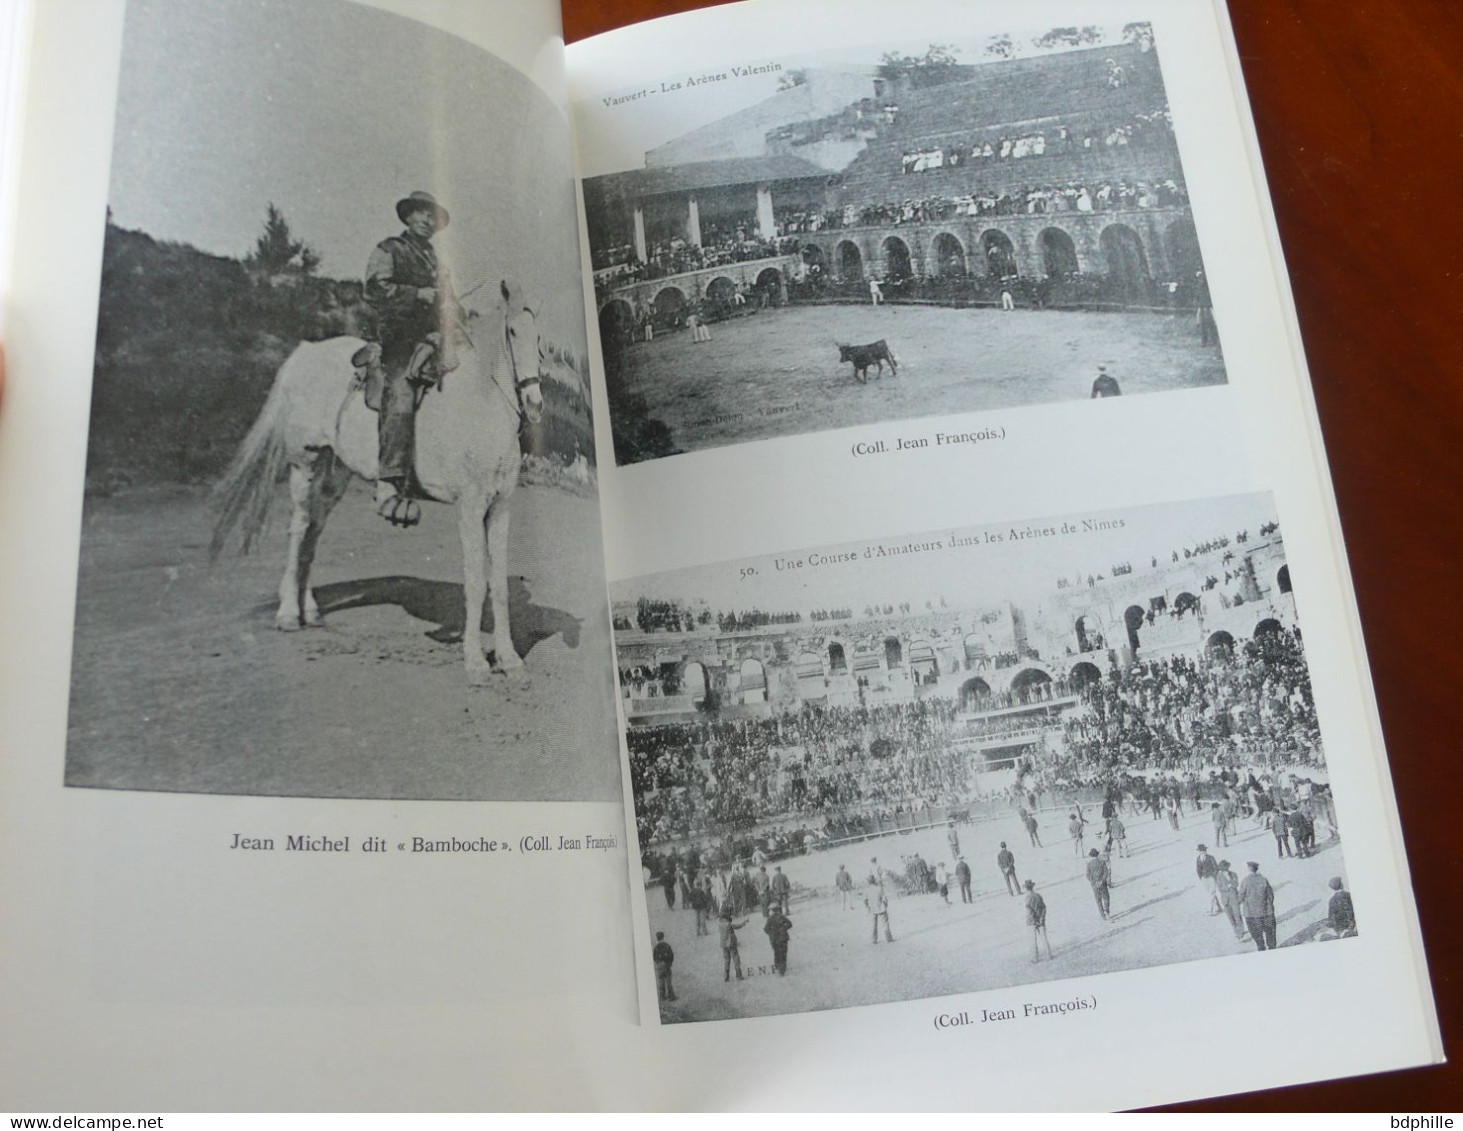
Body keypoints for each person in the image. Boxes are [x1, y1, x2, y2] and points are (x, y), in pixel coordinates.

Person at [364, 191, 461, 527]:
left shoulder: (436, 260)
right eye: (420, 213)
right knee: (403, 390)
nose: (426, 220)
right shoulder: (389, 249)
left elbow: (449, 301)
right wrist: (417, 294)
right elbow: (374, 290)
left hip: (430, 341)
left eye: (432, 216)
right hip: (397, 341)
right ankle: (388, 481)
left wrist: (454, 312)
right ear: (407, 217)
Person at [1238, 861, 1278, 951]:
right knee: (1270, 934)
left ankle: (1261, 950)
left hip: (1251, 914)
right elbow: (1271, 895)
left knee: (1257, 937)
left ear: (1248, 869)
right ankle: (1273, 950)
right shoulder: (1263, 879)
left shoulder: (1245, 881)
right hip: (1267, 912)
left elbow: (1240, 898)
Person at [1214, 860, 1247, 941]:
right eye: (1222, 869)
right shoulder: (1218, 876)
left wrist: (1230, 881)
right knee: (1231, 917)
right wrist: (1227, 887)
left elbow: (1236, 884)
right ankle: (1237, 932)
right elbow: (1219, 888)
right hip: (1225, 900)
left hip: (1234, 898)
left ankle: (1240, 934)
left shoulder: (1233, 874)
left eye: (1225, 868)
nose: (1224, 870)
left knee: (1237, 916)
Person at [717, 909, 749, 981]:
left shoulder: (720, 925)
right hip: (731, 945)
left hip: (724, 946)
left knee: (726, 961)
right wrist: (744, 922)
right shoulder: (729, 925)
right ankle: (739, 976)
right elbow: (738, 926)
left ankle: (726, 976)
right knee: (736, 960)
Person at [1024, 880, 1052, 961]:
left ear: (1026, 888)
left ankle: (1035, 958)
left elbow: (1029, 911)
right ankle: (1049, 955)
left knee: (1033, 941)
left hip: (1031, 922)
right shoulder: (1038, 895)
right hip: (1040, 920)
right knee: (1044, 938)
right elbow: (1044, 908)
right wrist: (1041, 919)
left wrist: (1034, 921)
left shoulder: (1027, 898)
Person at [764, 903, 793, 974]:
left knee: (777, 952)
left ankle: (777, 965)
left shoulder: (770, 919)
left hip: (775, 939)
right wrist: (784, 928)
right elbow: (790, 924)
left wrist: (771, 934)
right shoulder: (781, 916)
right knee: (783, 953)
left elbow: (766, 929)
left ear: (772, 910)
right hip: (783, 938)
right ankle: (782, 968)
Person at [1085, 848, 1111, 920]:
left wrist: (1093, 882)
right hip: (1103, 884)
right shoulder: (1102, 862)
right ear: (1097, 855)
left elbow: (1087, 875)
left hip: (1094, 885)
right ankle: (1107, 911)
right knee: (1106, 898)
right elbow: (1106, 872)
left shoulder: (1089, 864)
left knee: (1098, 900)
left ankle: (1102, 915)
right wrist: (1102, 881)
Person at [652, 931, 676, 1001]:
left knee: (661, 981)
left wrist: (658, 963)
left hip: (659, 965)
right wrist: (669, 963)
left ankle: (662, 996)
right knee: (668, 980)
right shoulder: (667, 946)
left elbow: (654, 957)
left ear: (657, 938)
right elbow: (671, 955)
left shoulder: (656, 947)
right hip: (666, 965)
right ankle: (671, 996)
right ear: (663, 937)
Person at [1196, 844, 1220, 914]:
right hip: (1204, 878)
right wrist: (1201, 878)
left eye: (1204, 850)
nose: (1203, 852)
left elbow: (1216, 868)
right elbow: (1198, 869)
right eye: (1201, 851)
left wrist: (1214, 876)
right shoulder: (1198, 858)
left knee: (1212, 893)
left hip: (1211, 877)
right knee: (1210, 893)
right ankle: (1218, 907)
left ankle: (1212, 909)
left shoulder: (1210, 857)